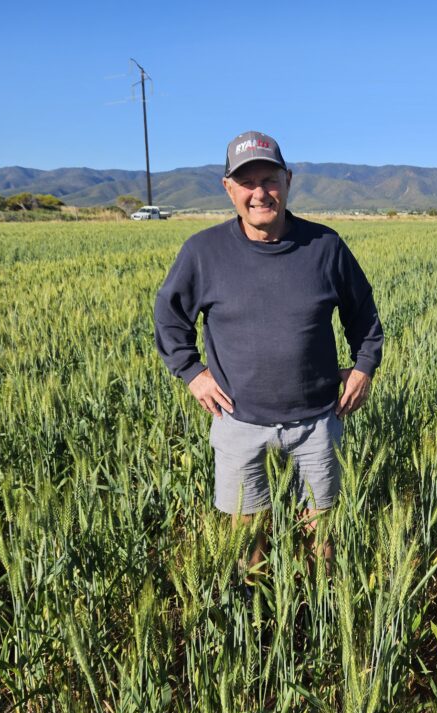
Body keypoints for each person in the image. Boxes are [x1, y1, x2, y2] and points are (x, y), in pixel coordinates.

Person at [153, 130, 383, 574]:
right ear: (228, 189)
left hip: (316, 422)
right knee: (248, 547)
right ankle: (257, 631)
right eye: (247, 182)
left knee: (321, 544)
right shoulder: (204, 252)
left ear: (288, 180)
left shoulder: (325, 247)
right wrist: (191, 371)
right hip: (239, 422)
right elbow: (169, 316)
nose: (260, 192)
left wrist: (364, 368)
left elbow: (364, 317)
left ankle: (318, 623)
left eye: (270, 179)